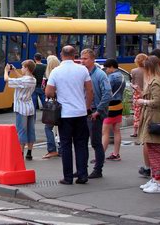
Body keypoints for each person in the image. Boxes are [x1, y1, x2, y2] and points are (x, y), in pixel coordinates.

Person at [45, 45, 93, 185]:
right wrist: (87, 107)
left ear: (61, 55)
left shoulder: (56, 71)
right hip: (80, 113)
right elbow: (90, 91)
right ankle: (82, 175)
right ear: (75, 55)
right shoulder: (82, 69)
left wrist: (57, 93)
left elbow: (48, 92)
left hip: (64, 114)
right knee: (81, 144)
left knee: (66, 145)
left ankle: (67, 177)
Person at [136, 55, 160, 193]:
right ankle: (156, 178)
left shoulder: (156, 82)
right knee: (153, 150)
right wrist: (141, 93)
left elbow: (157, 101)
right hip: (153, 118)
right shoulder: (157, 80)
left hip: (154, 119)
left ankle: (159, 182)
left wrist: (142, 101)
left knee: (155, 151)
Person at [80, 48, 112, 178]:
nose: (82, 61)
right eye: (82, 58)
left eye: (85, 58)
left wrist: (98, 111)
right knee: (81, 141)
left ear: (93, 59)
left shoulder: (99, 74)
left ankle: (98, 169)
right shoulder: (83, 73)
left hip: (94, 112)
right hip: (84, 111)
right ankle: (82, 169)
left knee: (95, 142)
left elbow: (107, 93)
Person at [5, 60, 37, 160]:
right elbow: (21, 79)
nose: (21, 69)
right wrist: (14, 71)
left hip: (21, 108)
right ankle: (29, 153)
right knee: (30, 130)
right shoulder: (32, 79)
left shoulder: (24, 80)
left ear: (27, 68)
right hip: (30, 108)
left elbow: (7, 80)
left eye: (23, 67)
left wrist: (6, 71)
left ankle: (20, 153)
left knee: (21, 130)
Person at [102, 58, 126, 161]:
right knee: (117, 130)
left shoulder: (111, 77)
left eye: (107, 68)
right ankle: (116, 153)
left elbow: (107, 91)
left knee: (105, 131)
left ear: (111, 67)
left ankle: (101, 155)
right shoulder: (122, 76)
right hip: (119, 104)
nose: (106, 70)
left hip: (110, 106)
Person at [42, 55, 61, 159]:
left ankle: (52, 149)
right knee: (61, 127)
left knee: (48, 127)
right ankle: (62, 149)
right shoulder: (62, 75)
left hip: (51, 106)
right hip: (62, 104)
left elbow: (46, 92)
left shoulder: (48, 77)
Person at [130, 54, 148, 138]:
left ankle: (135, 131)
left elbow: (132, 83)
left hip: (137, 94)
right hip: (147, 93)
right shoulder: (148, 71)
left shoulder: (134, 71)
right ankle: (145, 130)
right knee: (145, 112)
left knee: (137, 113)